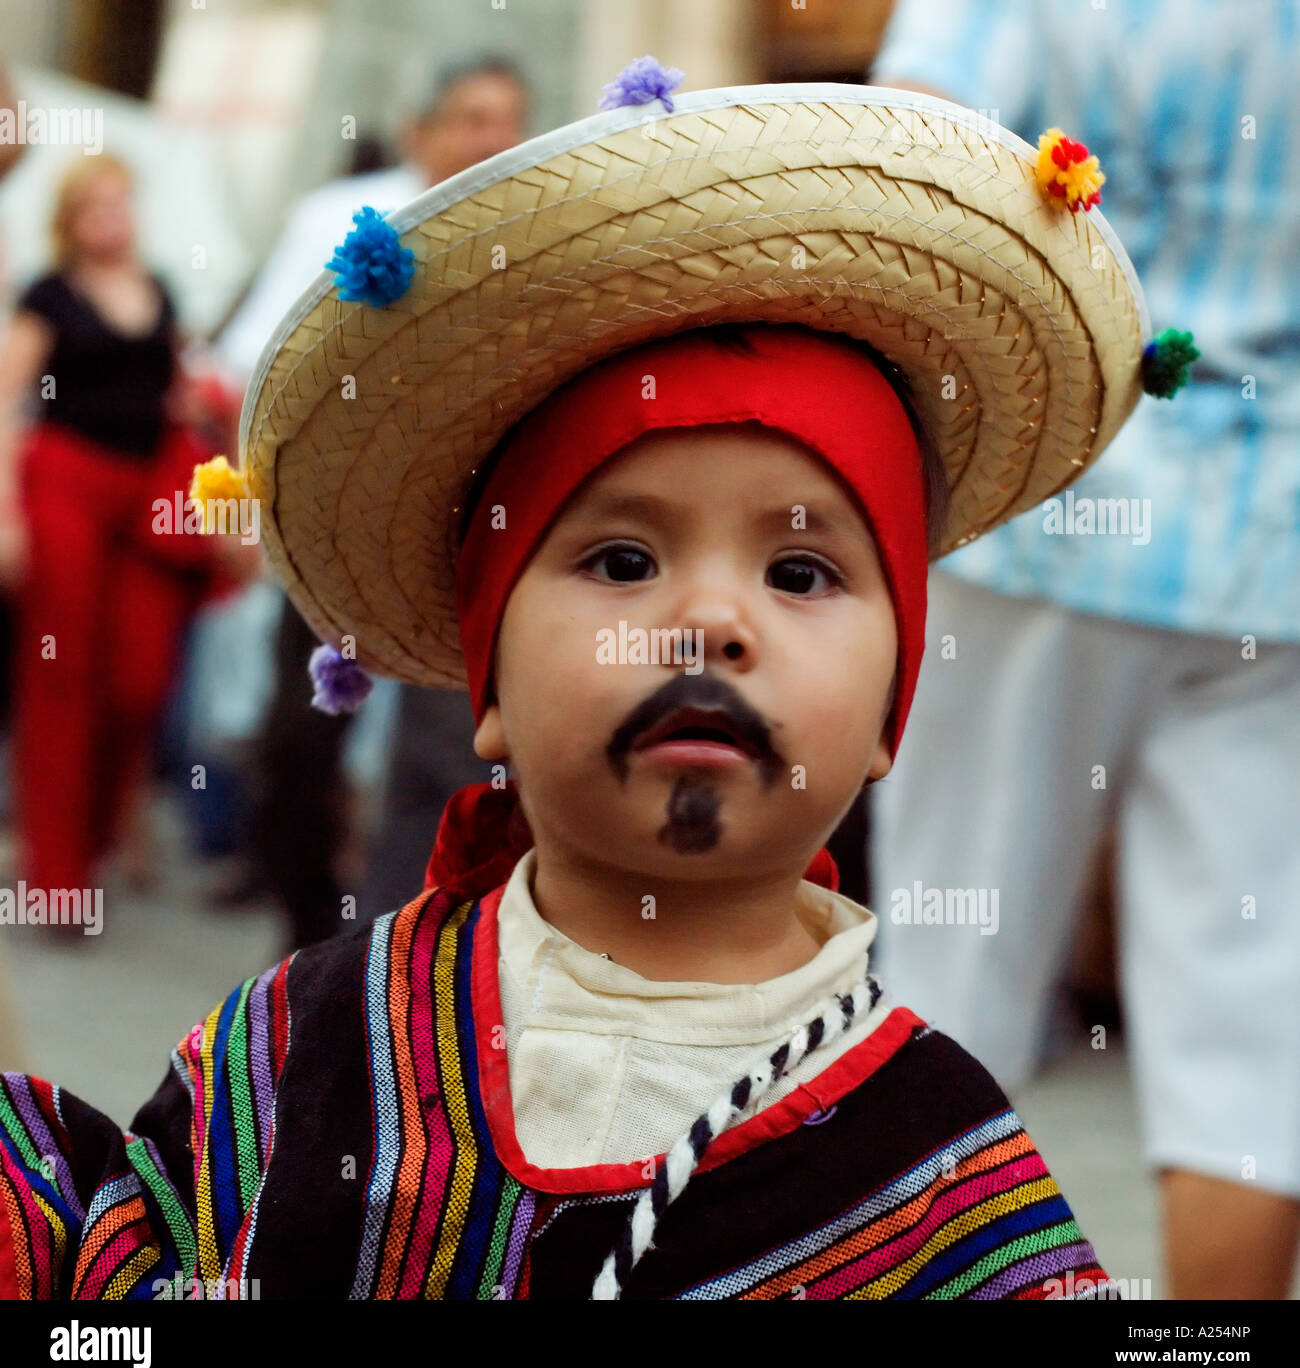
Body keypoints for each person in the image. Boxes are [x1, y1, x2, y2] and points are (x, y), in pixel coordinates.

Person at [0, 67, 1170, 1299]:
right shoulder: (303, 1045)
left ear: (893, 708)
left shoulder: (936, 1175)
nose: (711, 622)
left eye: (801, 568)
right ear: (485, 685)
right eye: (622, 558)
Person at [866, 0, 1300, 1299]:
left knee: (952, 971)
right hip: (1276, 549)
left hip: (1046, 507)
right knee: (1255, 1015)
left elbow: (909, 159)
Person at [213, 54, 531, 951]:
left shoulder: (536, 228)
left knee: (439, 766)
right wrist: (244, 508)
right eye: (471, 116)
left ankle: (392, 965)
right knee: (294, 747)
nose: (491, 138)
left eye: (507, 118)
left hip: (462, 545)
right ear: (419, 131)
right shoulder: (334, 221)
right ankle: (309, 946)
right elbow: (255, 370)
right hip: (331, 533)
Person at [0, 153, 251, 904]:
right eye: (95, 207)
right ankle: (56, 879)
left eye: (121, 203)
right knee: (61, 677)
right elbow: (10, 402)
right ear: (71, 221)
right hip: (66, 482)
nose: (111, 219)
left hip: (145, 496)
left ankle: (99, 840)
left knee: (140, 679)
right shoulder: (49, 297)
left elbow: (179, 387)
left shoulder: (159, 292)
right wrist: (8, 512)